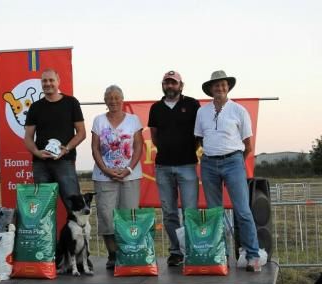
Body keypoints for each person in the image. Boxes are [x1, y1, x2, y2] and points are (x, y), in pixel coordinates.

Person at [194, 70, 261, 272]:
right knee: (215, 213)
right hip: (208, 163)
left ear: (228, 87)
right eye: (216, 85)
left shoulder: (239, 110)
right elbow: (198, 139)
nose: (220, 88)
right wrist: (208, 155)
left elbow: (248, 145)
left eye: (223, 85)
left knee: (242, 210)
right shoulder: (201, 112)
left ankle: (253, 256)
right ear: (211, 89)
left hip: (233, 161)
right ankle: (220, 256)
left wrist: (235, 161)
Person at [148, 71, 200, 266]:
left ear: (181, 85)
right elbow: (154, 136)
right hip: (163, 166)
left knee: (189, 212)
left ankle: (193, 250)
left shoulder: (192, 104)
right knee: (169, 212)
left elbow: (198, 134)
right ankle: (176, 251)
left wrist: (187, 150)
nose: (170, 86)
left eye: (173, 83)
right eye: (167, 83)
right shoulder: (156, 108)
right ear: (163, 85)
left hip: (187, 165)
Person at [91, 85, 143, 269]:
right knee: (106, 216)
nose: (113, 101)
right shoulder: (98, 121)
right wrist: (105, 170)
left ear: (122, 100)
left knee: (128, 216)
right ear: (105, 101)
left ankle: (127, 253)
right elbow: (95, 148)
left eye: (116, 98)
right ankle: (113, 255)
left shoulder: (134, 120)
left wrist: (128, 169)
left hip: (130, 176)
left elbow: (138, 146)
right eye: (109, 98)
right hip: (104, 177)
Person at [24, 69, 86, 210]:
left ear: (58, 81)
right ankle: (46, 233)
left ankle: (77, 233)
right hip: (41, 164)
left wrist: (67, 148)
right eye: (44, 81)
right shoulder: (35, 107)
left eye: (51, 80)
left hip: (65, 162)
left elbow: (81, 133)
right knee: (42, 209)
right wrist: (37, 152)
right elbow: (28, 137)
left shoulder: (71, 103)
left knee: (75, 207)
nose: (48, 83)